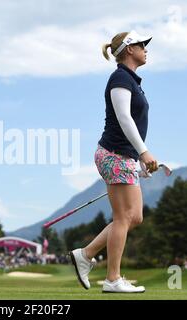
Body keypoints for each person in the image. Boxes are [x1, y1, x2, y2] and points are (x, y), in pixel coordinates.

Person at [69, 30, 159, 293]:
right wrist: (143, 152)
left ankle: (85, 255)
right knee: (124, 216)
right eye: (142, 44)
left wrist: (138, 159)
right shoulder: (120, 77)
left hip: (122, 155)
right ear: (129, 49)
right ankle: (112, 279)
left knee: (135, 217)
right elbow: (124, 118)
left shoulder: (131, 80)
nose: (146, 48)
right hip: (113, 154)